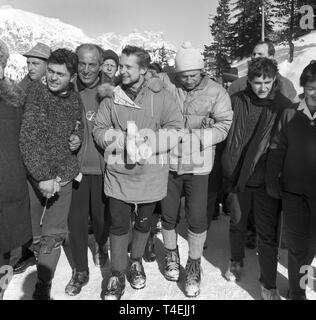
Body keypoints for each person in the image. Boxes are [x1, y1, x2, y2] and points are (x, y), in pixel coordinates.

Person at [93, 45, 183, 300]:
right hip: (119, 174)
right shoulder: (112, 96)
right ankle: (118, 273)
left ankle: (135, 261)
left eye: (127, 67)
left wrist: (149, 143)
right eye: (120, 66)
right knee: (120, 224)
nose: (121, 71)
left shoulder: (162, 97)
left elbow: (176, 128)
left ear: (143, 69)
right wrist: (120, 141)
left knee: (144, 223)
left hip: (151, 175)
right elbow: (99, 129)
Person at [159, 41, 233, 297]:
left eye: (193, 75)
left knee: (198, 217)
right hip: (168, 162)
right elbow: (150, 80)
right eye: (184, 76)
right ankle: (170, 254)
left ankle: (193, 264)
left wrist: (201, 137)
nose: (189, 80)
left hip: (199, 164)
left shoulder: (216, 91)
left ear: (201, 71)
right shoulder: (169, 84)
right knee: (168, 215)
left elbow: (224, 125)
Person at [221, 57, 293, 300]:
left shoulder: (283, 106)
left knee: (266, 233)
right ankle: (236, 259)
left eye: (267, 82)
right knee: (237, 222)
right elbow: (222, 128)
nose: (262, 87)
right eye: (257, 82)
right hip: (238, 175)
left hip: (266, 179)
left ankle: (268, 283)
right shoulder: (236, 101)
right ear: (248, 80)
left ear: (275, 80)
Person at [19, 48, 83, 300]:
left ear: (72, 76)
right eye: (51, 72)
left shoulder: (75, 99)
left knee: (54, 234)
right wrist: (43, 177)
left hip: (64, 175)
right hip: (37, 177)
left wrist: (77, 138)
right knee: (34, 233)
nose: (54, 78)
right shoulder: (36, 92)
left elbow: (78, 127)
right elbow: (28, 138)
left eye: (60, 74)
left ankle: (43, 285)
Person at [266, 61, 316, 300]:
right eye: (311, 87)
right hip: (293, 192)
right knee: (297, 245)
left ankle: (303, 280)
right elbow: (277, 147)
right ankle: (298, 292)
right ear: (304, 87)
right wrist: (272, 179)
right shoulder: (289, 113)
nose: (315, 92)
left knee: (312, 245)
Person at [65, 43, 110, 296]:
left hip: (105, 171)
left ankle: (102, 246)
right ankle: (80, 269)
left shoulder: (111, 93)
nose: (86, 69)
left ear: (100, 65)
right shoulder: (66, 92)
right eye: (81, 63)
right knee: (77, 223)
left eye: (92, 64)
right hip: (76, 170)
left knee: (103, 219)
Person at [12, 42, 51, 275]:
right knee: (29, 206)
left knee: (50, 204)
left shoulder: (59, 87)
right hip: (24, 157)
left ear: (48, 65)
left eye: (35, 63)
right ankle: (29, 251)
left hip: (50, 156)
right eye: (28, 62)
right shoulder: (20, 88)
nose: (30, 67)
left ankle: (49, 246)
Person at [0, 39, 32, 300]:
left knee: (6, 245)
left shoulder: (15, 101)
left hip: (9, 183)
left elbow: (29, 141)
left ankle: (1, 285)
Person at [228, 41, 297, 102]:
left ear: (271, 57)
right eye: (254, 54)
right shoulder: (238, 85)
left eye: (260, 54)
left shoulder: (286, 84)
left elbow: (292, 111)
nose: (255, 57)